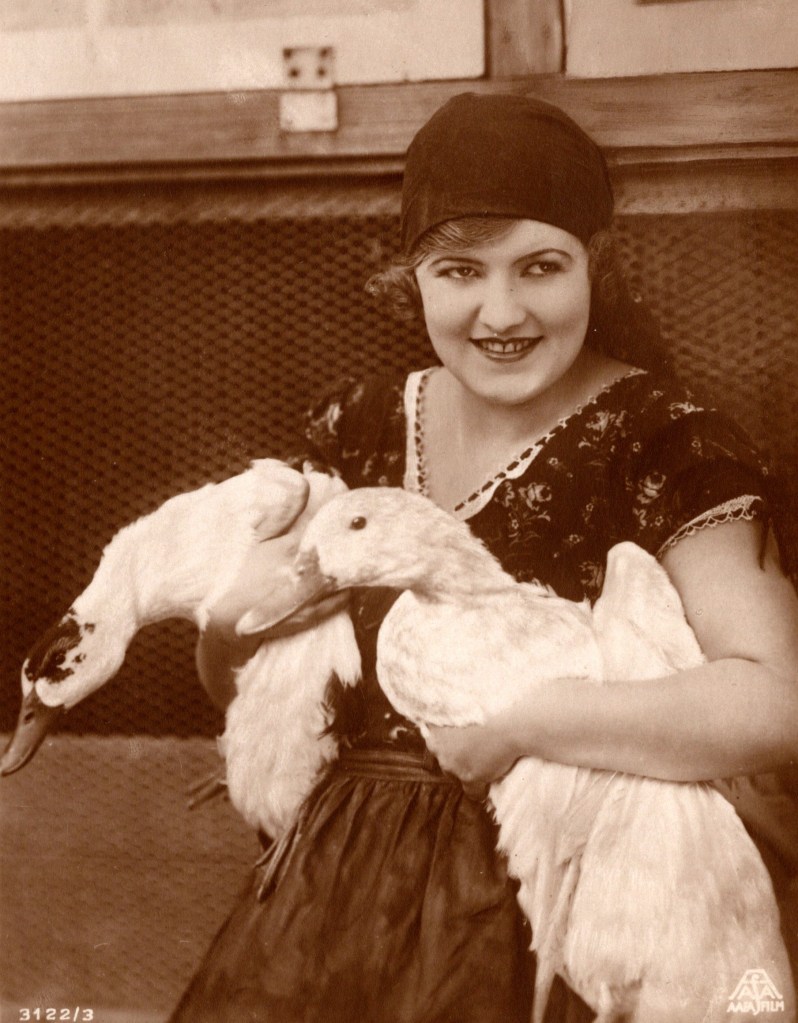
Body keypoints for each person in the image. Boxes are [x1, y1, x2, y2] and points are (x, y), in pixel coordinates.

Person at [169, 92, 798, 1022]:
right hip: (329, 907)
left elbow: (776, 700)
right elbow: (260, 689)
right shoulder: (361, 429)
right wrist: (228, 623)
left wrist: (526, 723)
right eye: (460, 270)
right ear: (412, 281)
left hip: (554, 900)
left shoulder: (663, 441)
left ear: (597, 266)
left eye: (541, 266)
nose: (501, 312)